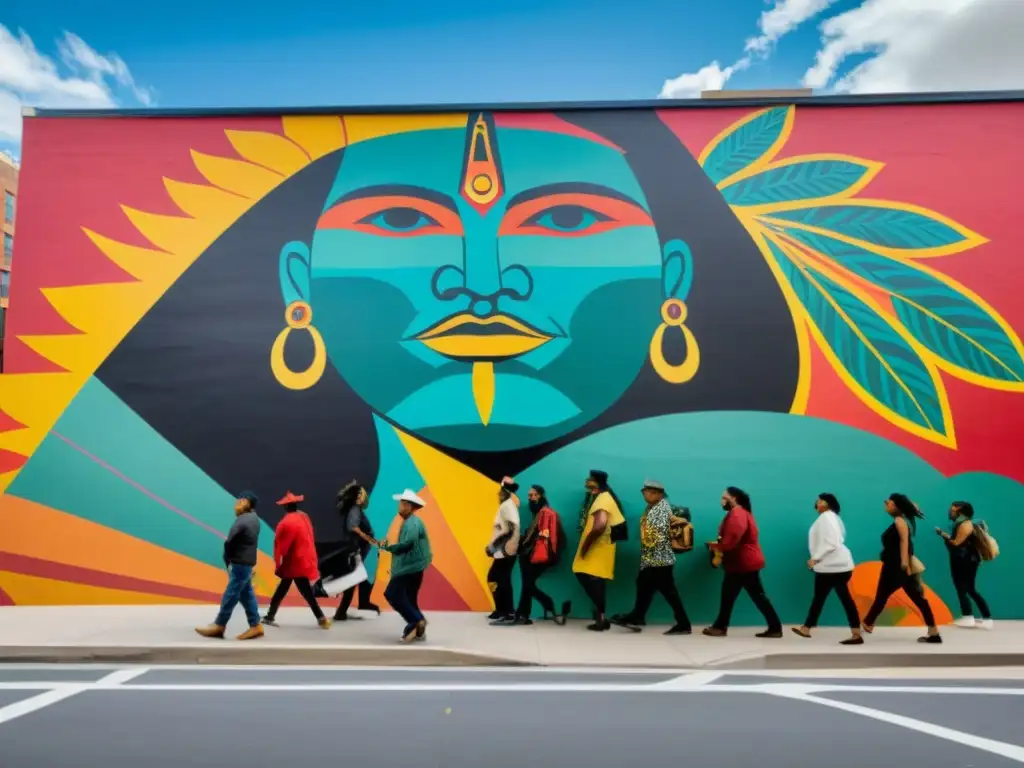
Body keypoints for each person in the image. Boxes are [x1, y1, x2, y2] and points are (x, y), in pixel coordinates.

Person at [612, 479, 692, 635]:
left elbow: (657, 535)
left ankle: (683, 624)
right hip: (652, 559)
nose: (646, 495)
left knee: (669, 592)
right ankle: (637, 616)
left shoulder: (661, 509)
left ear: (659, 494)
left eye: (649, 492)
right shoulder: (652, 508)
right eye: (645, 492)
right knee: (643, 586)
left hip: (660, 559)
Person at [703, 487, 782, 638]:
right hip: (745, 562)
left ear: (733, 498)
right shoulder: (743, 513)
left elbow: (731, 541)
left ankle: (720, 627)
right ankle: (775, 627)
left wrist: (714, 546)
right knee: (756, 596)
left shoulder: (737, 514)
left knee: (729, 595)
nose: (722, 501)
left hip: (741, 563)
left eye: (724, 497)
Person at [862, 493, 942, 643]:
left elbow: (905, 542)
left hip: (896, 567)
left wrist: (904, 565)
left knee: (883, 596)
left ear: (896, 507)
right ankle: (934, 632)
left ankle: (868, 623)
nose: (887, 504)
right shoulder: (900, 520)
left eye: (890, 503)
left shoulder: (900, 522)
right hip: (897, 566)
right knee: (917, 598)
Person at [791, 493, 862, 644]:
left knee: (838, 599)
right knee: (822, 598)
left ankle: (856, 633)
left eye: (821, 500)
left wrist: (815, 558)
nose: (817, 502)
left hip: (833, 567)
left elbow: (833, 542)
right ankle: (807, 628)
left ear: (828, 504)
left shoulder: (826, 518)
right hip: (834, 566)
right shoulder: (833, 517)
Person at [196, 491, 264, 640]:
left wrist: (227, 559)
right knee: (246, 594)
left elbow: (230, 542)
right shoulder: (254, 519)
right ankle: (256, 625)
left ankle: (219, 625)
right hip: (247, 562)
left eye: (239, 501)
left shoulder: (242, 520)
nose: (236, 505)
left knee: (231, 594)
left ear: (246, 503)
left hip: (239, 562)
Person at [262, 491, 331, 629]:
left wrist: (279, 562)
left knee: (287, 590)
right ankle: (321, 618)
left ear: (286, 507)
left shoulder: (286, 523)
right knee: (299, 590)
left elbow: (282, 546)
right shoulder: (304, 518)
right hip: (304, 560)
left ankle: (270, 616)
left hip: (293, 563)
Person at [572, 469, 626, 632]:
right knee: (597, 579)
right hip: (603, 547)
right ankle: (600, 617)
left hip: (597, 547)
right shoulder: (605, 498)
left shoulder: (603, 499)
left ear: (598, 484)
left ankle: (600, 616)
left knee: (584, 573)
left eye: (590, 482)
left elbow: (600, 526)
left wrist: (586, 544)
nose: (588, 486)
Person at [513, 484, 571, 626]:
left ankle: (545, 604)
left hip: (537, 556)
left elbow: (549, 537)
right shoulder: (540, 513)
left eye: (534, 495)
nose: (531, 498)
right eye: (529, 495)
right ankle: (523, 614)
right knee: (528, 584)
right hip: (529, 555)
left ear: (541, 496)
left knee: (528, 584)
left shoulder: (545, 513)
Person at [380, 489, 433, 643]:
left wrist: (390, 548)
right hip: (414, 566)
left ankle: (417, 620)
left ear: (410, 506)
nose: (400, 506)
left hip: (409, 568)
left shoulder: (413, 523)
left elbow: (409, 543)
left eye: (403, 503)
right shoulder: (411, 522)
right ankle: (417, 632)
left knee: (392, 594)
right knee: (410, 599)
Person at [937, 501, 993, 629]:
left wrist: (945, 538)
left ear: (959, 510)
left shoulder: (965, 524)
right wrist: (943, 534)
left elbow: (956, 543)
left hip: (964, 560)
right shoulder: (961, 523)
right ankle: (981, 617)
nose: (950, 512)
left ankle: (971, 617)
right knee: (967, 589)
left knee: (965, 589)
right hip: (965, 560)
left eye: (952, 510)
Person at [333, 480, 381, 621]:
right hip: (358, 549)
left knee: (361, 577)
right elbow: (353, 526)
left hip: (359, 548)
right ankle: (342, 611)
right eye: (360, 494)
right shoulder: (354, 509)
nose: (363, 496)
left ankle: (361, 603)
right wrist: (368, 538)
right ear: (357, 496)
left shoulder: (355, 509)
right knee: (355, 578)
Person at [487, 479, 521, 625]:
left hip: (504, 551)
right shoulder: (508, 505)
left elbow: (511, 529)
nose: (498, 494)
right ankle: (502, 610)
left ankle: (507, 612)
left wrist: (493, 547)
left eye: (500, 491)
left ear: (504, 492)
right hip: (505, 550)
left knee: (496, 578)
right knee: (501, 580)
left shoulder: (506, 506)